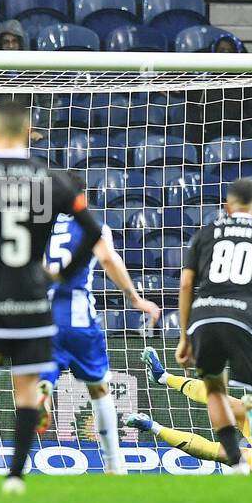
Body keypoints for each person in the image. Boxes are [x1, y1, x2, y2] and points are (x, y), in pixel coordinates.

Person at [0, 100, 104, 495]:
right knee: (26, 390)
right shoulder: (50, 177)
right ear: (29, 132)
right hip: (33, 300)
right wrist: (60, 272)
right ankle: (14, 478)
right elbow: (92, 231)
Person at [161, 177, 252, 474]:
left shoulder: (205, 233)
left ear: (226, 206)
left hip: (204, 317)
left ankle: (235, 462)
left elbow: (185, 285)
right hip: (247, 317)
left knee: (215, 390)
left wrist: (184, 336)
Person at [38, 181, 161, 474]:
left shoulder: (37, 225)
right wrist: (134, 297)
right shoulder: (93, 225)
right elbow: (107, 258)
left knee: (45, 374)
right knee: (99, 389)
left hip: (43, 316)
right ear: (82, 198)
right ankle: (114, 465)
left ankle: (44, 390)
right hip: (79, 315)